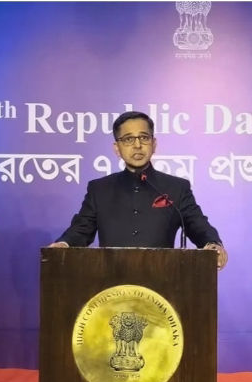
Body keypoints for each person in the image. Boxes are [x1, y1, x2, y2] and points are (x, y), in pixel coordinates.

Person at [48, 110, 227, 269]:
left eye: (144, 137)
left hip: (163, 284)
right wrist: (63, 245)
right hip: (111, 286)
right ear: (117, 148)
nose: (137, 145)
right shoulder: (99, 189)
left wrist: (212, 243)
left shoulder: (176, 188)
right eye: (128, 139)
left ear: (154, 144)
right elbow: (81, 230)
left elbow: (197, 225)